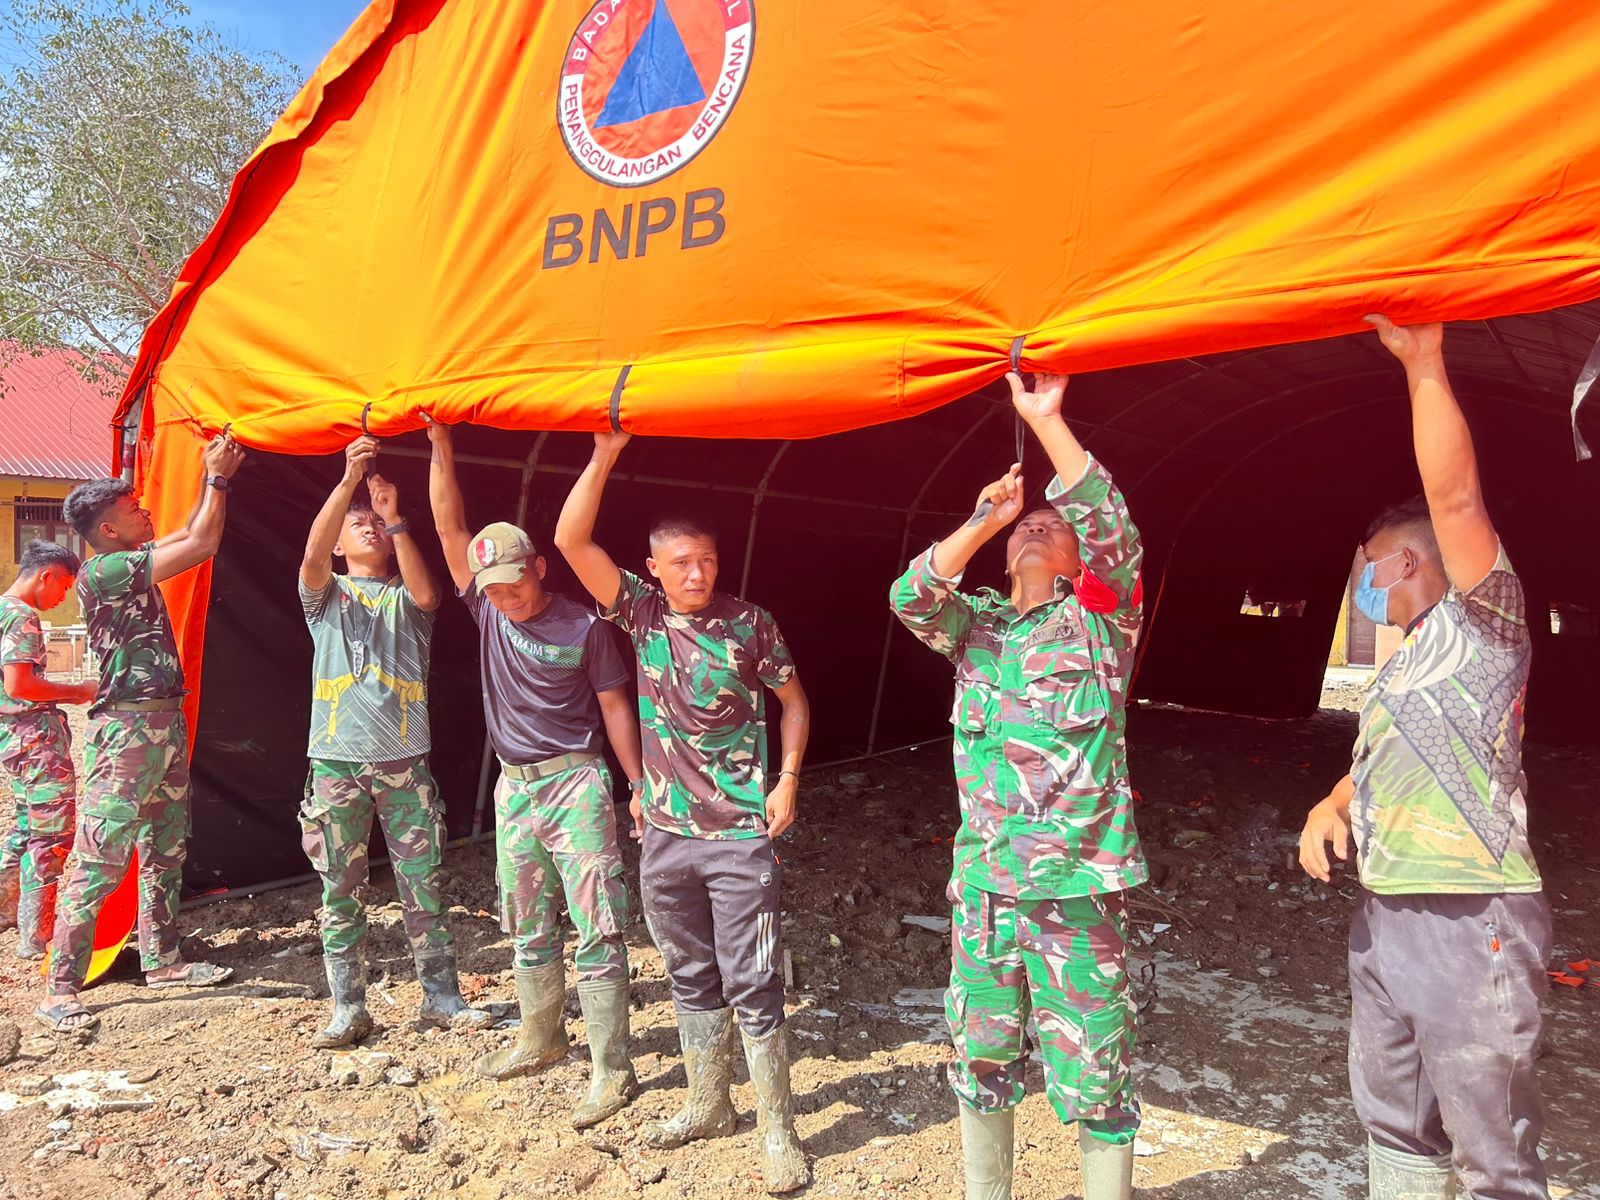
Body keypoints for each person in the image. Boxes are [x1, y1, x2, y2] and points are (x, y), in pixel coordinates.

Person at [1299, 316, 1551, 1200]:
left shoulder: (1485, 626)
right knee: (1394, 1119)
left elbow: (1457, 503)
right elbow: (1378, 763)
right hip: (1388, 911)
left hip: (1470, 911)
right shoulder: (1401, 666)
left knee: (1490, 1143)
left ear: (1404, 561)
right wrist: (1331, 805)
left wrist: (1423, 363)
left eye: (1369, 569)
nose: (1363, 588)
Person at [891, 372, 1146, 1200]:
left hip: (1076, 892)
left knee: (1097, 1067)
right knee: (980, 1053)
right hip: (985, 890)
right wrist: (982, 521)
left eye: (1051, 526)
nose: (1037, 528)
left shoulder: (1102, 624)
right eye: (1026, 527)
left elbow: (1112, 528)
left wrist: (1046, 422)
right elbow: (911, 596)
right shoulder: (977, 628)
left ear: (1076, 558)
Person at [555, 432, 812, 1195]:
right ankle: (709, 1104)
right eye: (681, 563)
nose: (696, 574)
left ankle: (777, 1129)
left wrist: (788, 779)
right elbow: (570, 540)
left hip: (738, 838)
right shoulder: (641, 615)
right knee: (689, 973)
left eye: (707, 561)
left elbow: (794, 703)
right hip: (665, 838)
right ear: (654, 567)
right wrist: (603, 455)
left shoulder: (751, 625)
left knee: (754, 980)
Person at [426, 419, 644, 1127]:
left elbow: (616, 707)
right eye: (492, 589)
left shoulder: (586, 627)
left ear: (539, 568)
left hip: (576, 783)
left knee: (598, 925)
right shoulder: (487, 612)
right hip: (515, 787)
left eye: (514, 583)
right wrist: (440, 445)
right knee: (525, 920)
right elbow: (448, 524)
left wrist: (637, 785)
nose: (505, 598)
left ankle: (613, 1067)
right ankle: (541, 1037)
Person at [38, 435, 246, 1033]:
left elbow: (189, 532)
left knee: (165, 848)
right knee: (100, 855)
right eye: (132, 509)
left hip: (161, 723)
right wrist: (218, 479)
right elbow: (203, 544)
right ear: (107, 531)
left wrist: (211, 477)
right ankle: (60, 989)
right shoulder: (105, 570)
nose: (144, 511)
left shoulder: (128, 556)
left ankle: (163, 961)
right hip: (128, 732)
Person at [298, 435, 488, 1046]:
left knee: (423, 883)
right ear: (338, 545)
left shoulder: (409, 600)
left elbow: (430, 594)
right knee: (340, 888)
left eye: (375, 525)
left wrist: (396, 518)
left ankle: (441, 996)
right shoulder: (324, 596)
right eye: (358, 525)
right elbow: (312, 553)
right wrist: (348, 484)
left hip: (404, 764)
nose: (370, 528)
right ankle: (348, 1006)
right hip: (337, 765)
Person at [1, 540, 96, 958]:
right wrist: (78, 692)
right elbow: (19, 685)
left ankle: (7, 910)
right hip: (34, 739)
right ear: (46, 576)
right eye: (64, 587)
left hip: (13, 737)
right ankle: (37, 935)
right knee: (51, 834)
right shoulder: (21, 615)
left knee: (26, 827)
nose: (63, 598)